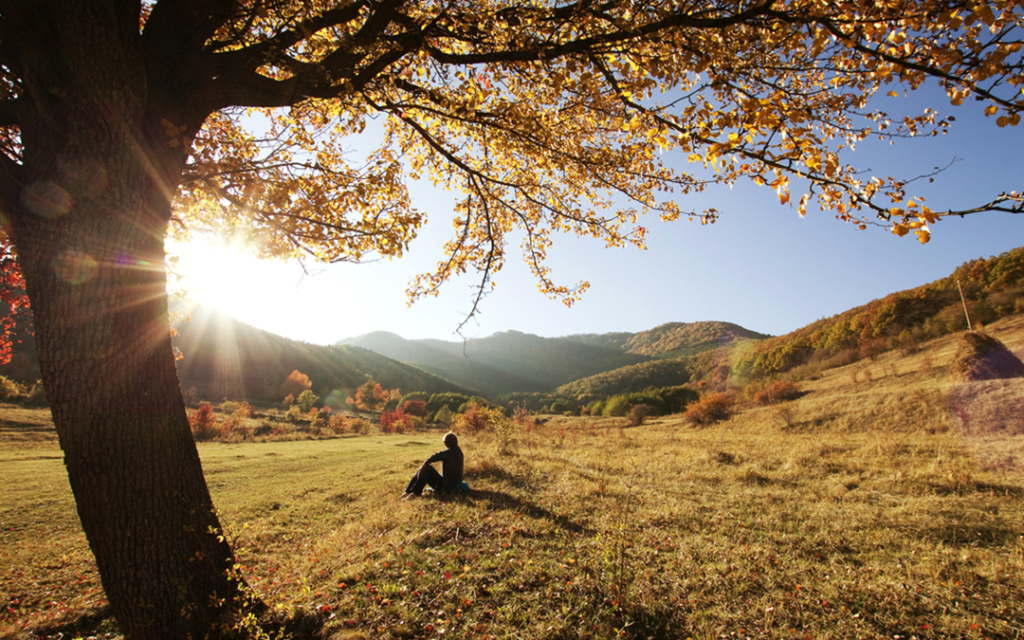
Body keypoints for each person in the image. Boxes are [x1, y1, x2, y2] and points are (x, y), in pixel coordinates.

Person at [404, 431, 465, 498]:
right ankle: (408, 491)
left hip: (447, 486)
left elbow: (435, 456)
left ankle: (415, 493)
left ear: (445, 443)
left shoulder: (450, 452)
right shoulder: (458, 450)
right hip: (451, 483)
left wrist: (424, 465)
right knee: (424, 469)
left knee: (427, 469)